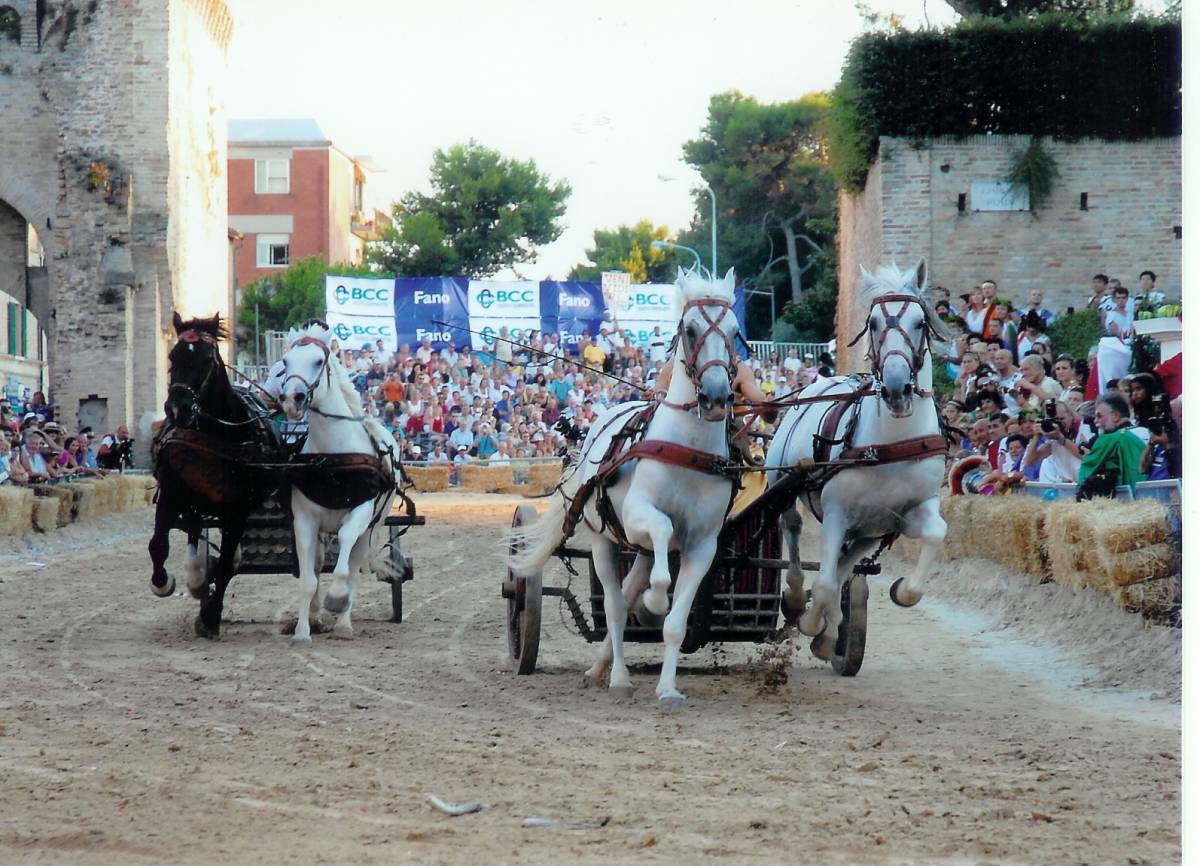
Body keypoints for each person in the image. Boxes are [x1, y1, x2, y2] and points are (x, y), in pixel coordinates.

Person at [1075, 393, 1147, 499]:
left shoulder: (1109, 439)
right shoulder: (1146, 431)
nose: (1095, 421)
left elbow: (1087, 469)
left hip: (1124, 501)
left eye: (1099, 416)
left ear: (1116, 416)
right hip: (1149, 496)